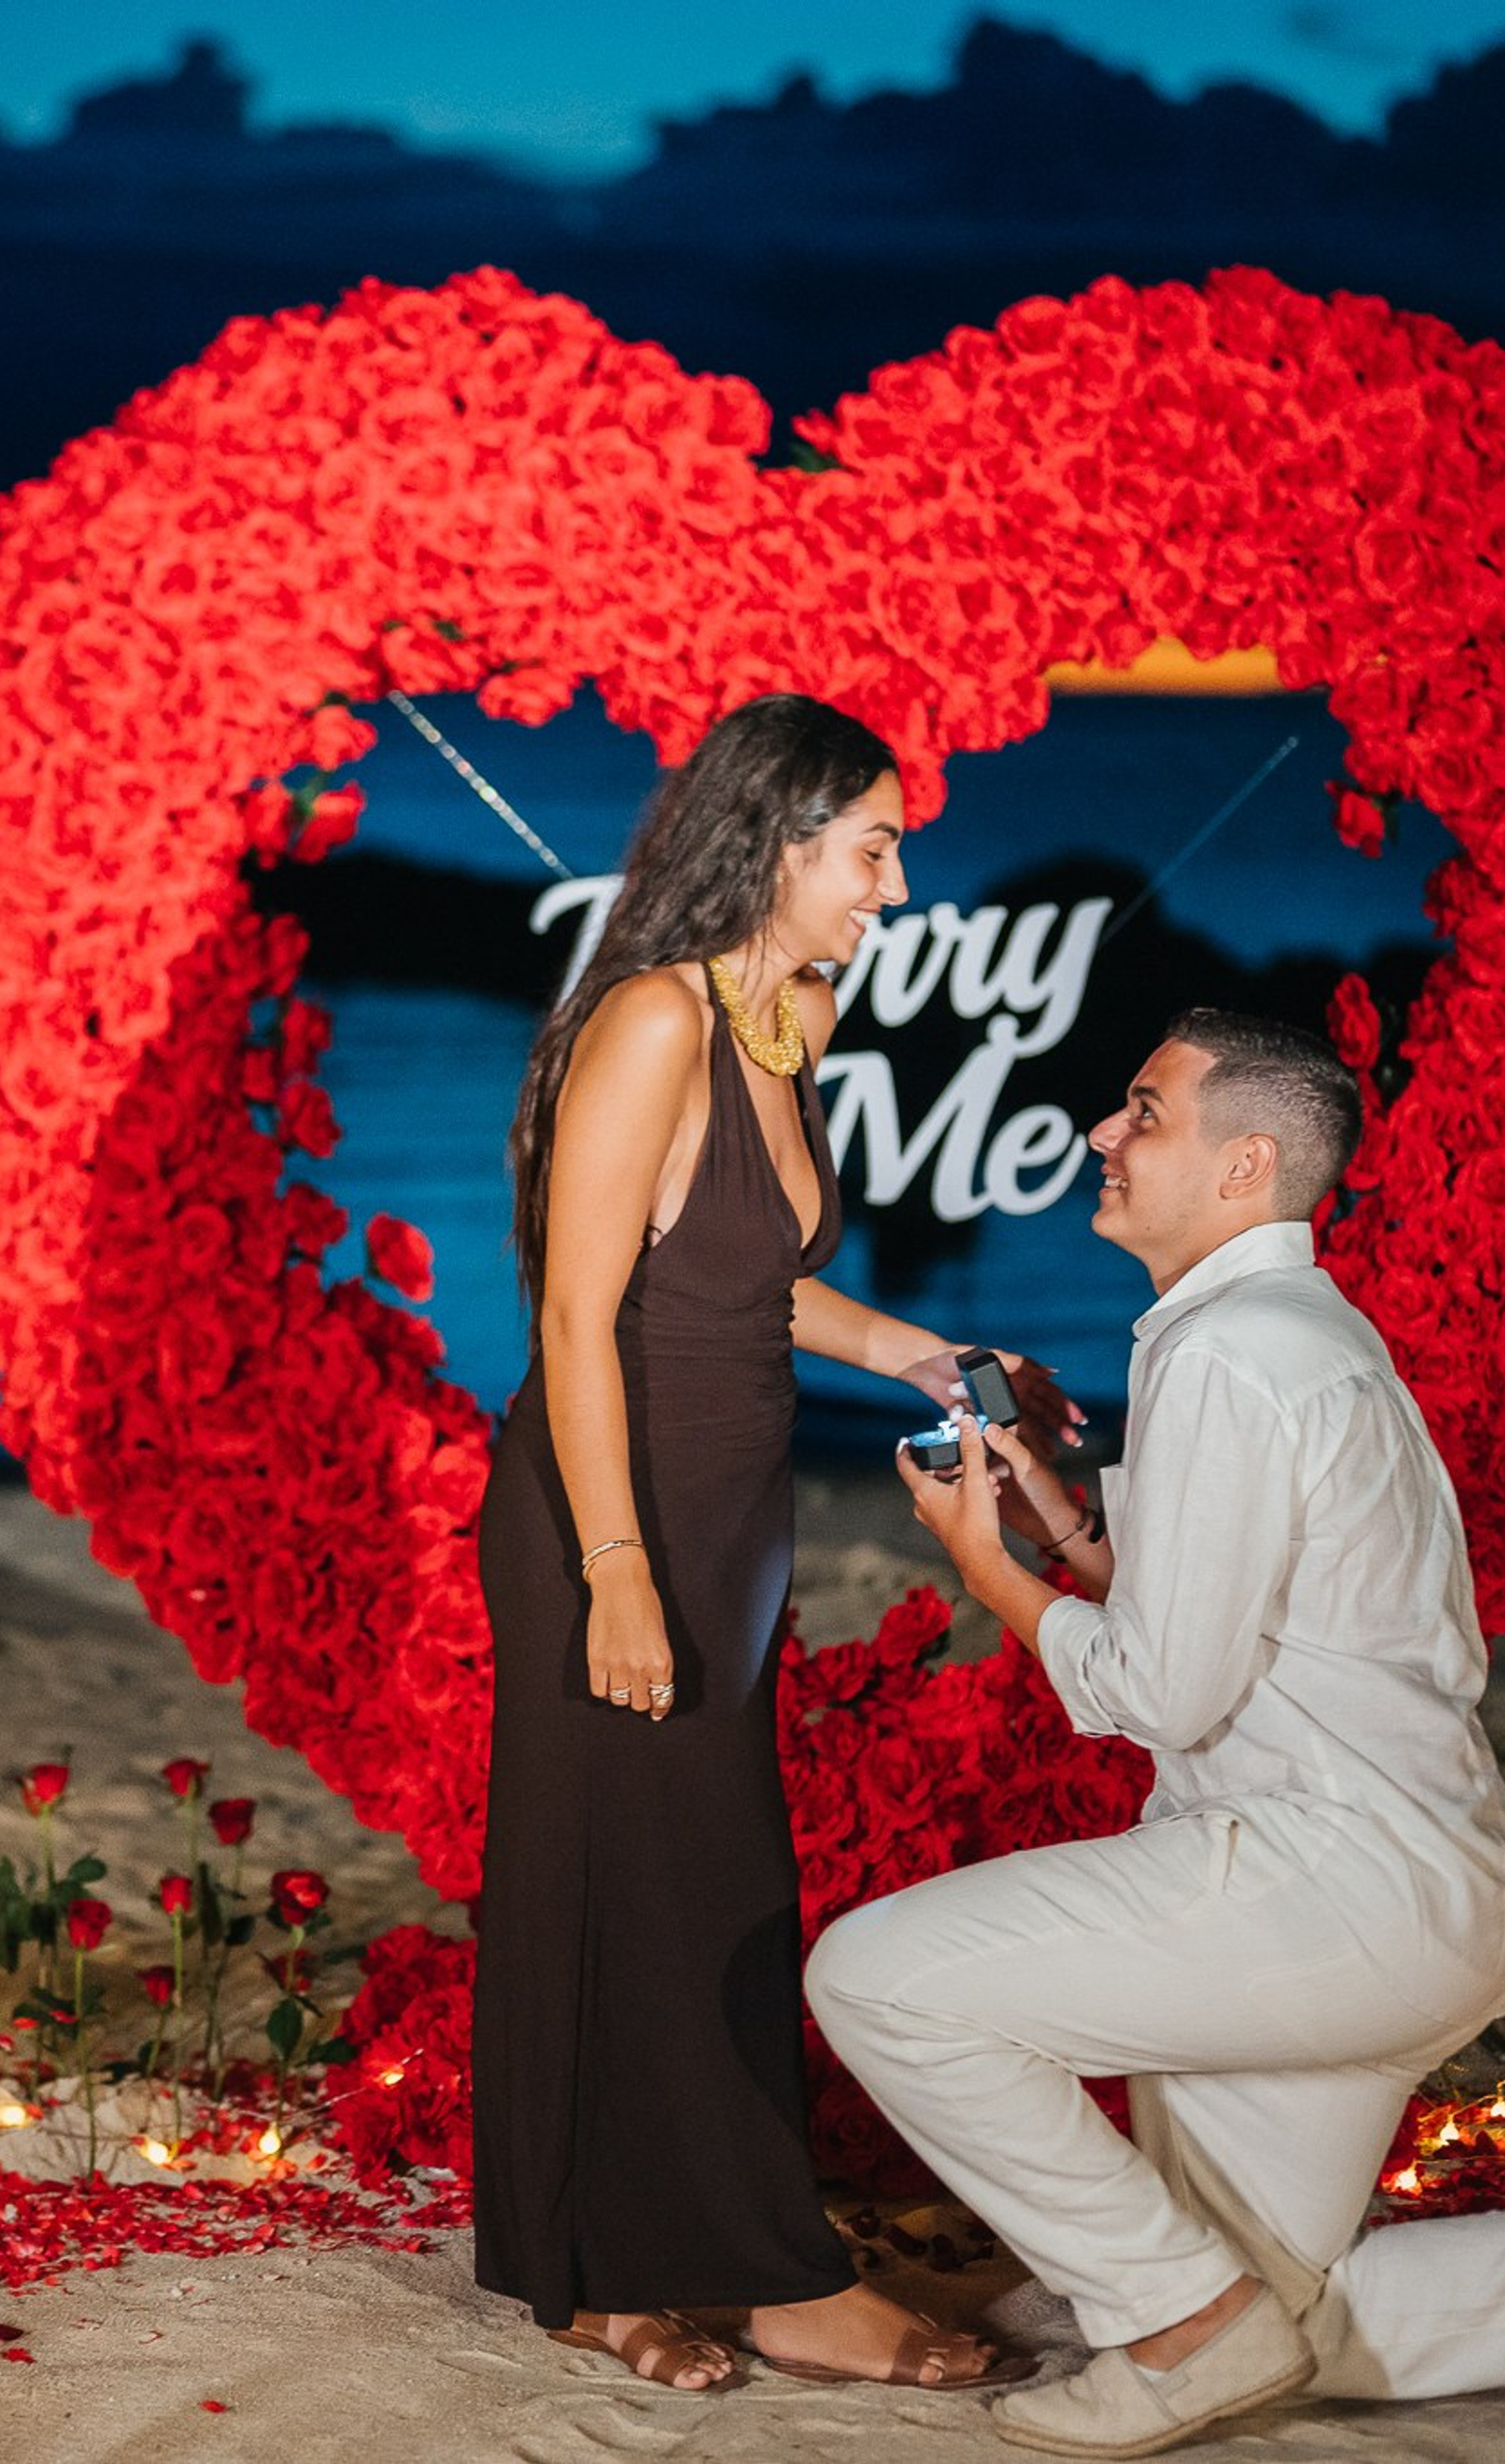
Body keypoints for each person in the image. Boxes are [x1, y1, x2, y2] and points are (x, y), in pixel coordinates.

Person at [810, 1009, 1505, 2457]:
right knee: (1291, 2328)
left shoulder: (1233, 1354)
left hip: (1333, 1884)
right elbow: (1210, 1624)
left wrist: (986, 1568)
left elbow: (1172, 1693)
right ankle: (1238, 2320)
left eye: (1143, 1112)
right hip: (1410, 1888)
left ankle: (1179, 2330)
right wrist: (1056, 1504)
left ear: (1246, 1166)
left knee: (875, 1979)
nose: (1104, 1137)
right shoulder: (1291, 1331)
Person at [472, 692, 1062, 2394]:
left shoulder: (788, 1010)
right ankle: (676, 2273)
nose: (894, 881)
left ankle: (662, 2251)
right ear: (778, 840)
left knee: (697, 1880)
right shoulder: (654, 1019)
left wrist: (922, 1355)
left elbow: (743, 1278)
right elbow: (577, 1318)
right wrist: (617, 1573)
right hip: (617, 1509)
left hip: (728, 1508)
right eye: (871, 845)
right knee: (635, 1883)